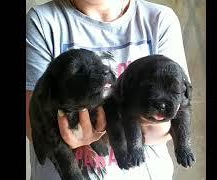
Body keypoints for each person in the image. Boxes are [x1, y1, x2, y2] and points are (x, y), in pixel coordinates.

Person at [26, 0, 190, 179]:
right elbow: (34, 123)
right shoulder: (43, 21)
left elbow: (173, 118)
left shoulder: (159, 19)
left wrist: (115, 124)